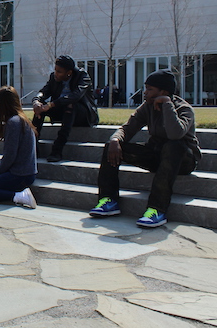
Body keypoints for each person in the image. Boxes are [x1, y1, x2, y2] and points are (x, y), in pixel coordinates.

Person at [89, 69, 201, 228]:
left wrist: (167, 104)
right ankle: (108, 200)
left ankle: (157, 210)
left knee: (173, 145)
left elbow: (176, 134)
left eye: (150, 89)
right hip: (157, 155)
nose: (145, 93)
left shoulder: (184, 109)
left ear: (163, 92)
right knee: (111, 146)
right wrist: (115, 139)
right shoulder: (146, 107)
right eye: (145, 88)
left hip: (183, 160)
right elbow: (127, 129)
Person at [32, 55, 99, 162]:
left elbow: (75, 96)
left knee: (70, 105)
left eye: (59, 71)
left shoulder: (82, 76)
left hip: (82, 114)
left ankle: (57, 150)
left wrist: (51, 105)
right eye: (55, 70)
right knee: (40, 108)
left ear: (69, 72)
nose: (56, 74)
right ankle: (33, 147)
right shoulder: (54, 77)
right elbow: (44, 91)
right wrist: (36, 101)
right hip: (62, 111)